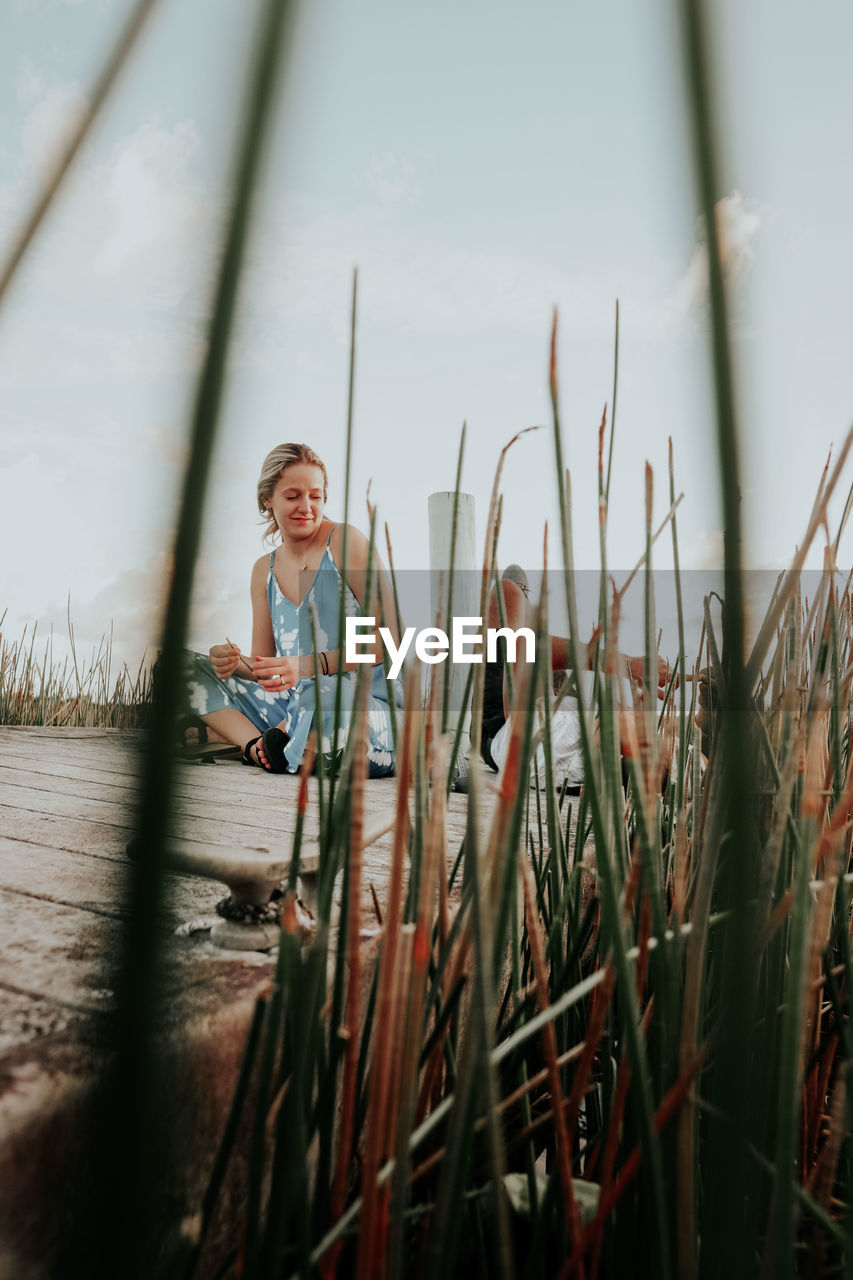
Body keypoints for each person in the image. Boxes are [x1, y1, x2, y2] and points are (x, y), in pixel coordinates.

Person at [185, 442, 401, 775]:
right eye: (293, 496)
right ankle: (260, 747)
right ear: (266, 499)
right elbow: (265, 669)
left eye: (316, 496)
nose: (306, 507)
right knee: (183, 667)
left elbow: (391, 640)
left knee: (322, 694)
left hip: (356, 707)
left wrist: (305, 666)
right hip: (292, 705)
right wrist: (229, 661)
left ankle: (281, 742)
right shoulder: (263, 570)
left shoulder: (346, 543)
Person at [482, 565, 671, 783]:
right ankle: (528, 617)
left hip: (501, 725)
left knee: (509, 591)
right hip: (572, 715)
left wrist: (628, 665)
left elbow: (525, 650)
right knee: (528, 617)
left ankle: (525, 611)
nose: (636, 710)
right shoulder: (599, 746)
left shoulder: (556, 742)